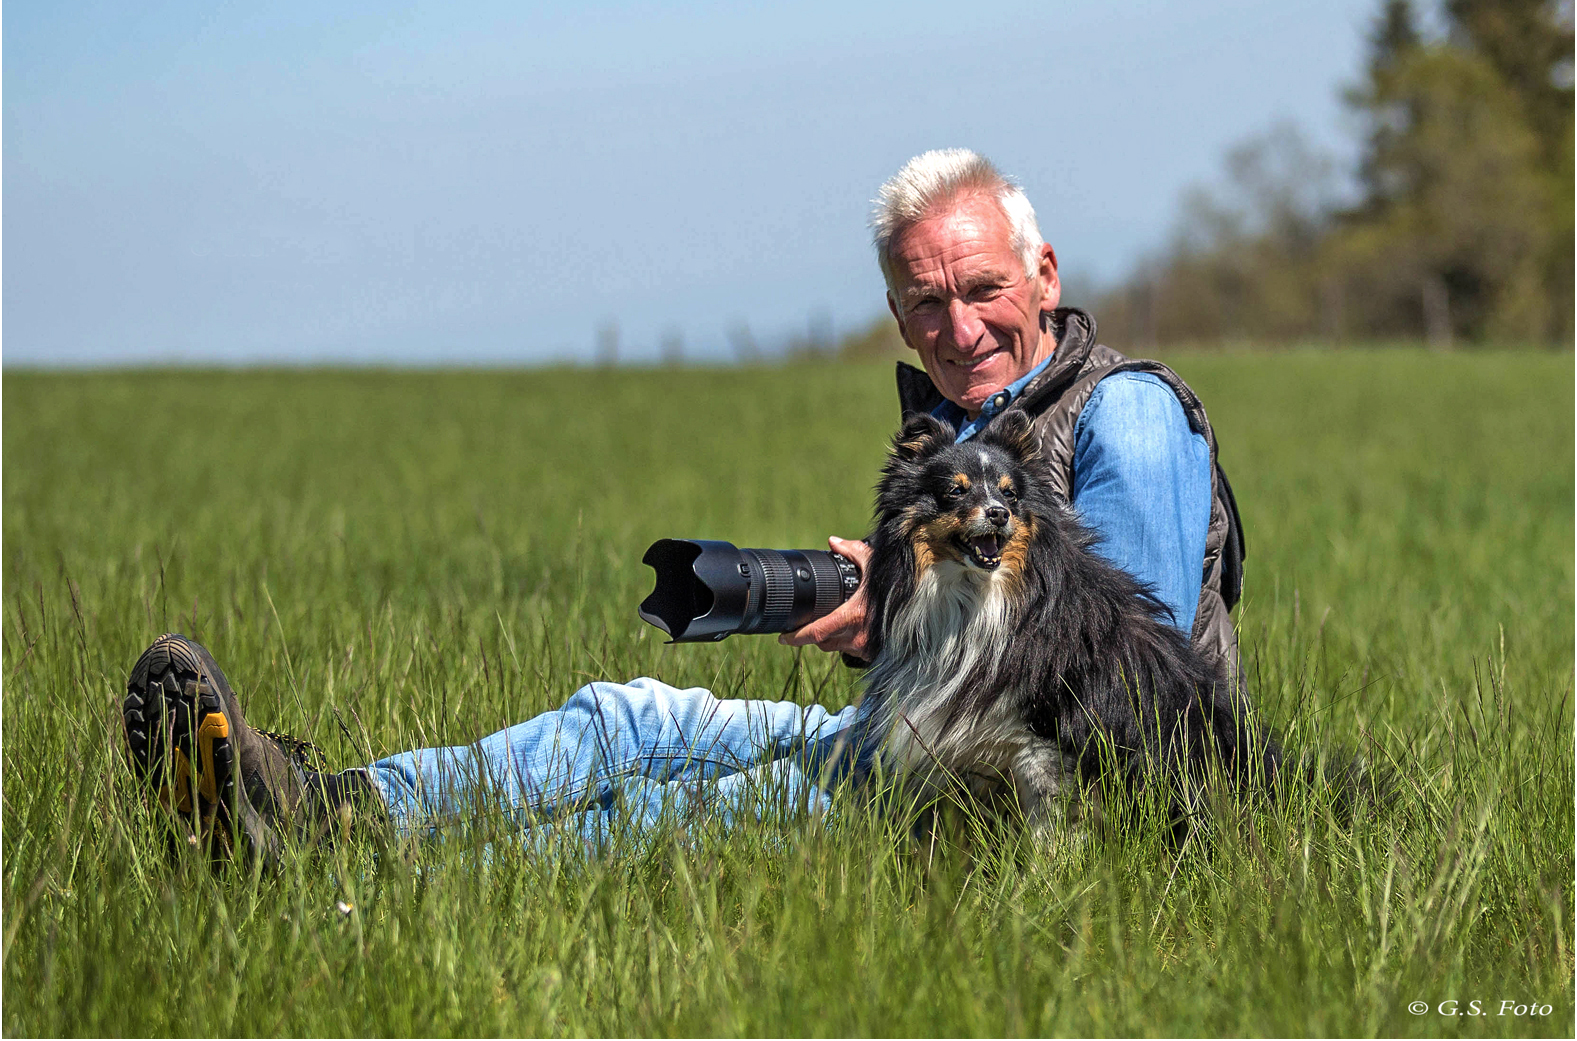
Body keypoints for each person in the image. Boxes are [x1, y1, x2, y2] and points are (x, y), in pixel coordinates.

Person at [122, 149, 1245, 863]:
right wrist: (891, 622)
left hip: (1015, 795)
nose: (957, 331)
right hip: (924, 736)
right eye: (924, 304)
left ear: (1043, 274)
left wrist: (890, 628)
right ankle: (331, 808)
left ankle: (343, 878)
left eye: (982, 290)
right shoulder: (950, 436)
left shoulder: (1129, 415)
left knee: (696, 809)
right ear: (897, 318)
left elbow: (1127, 699)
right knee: (630, 716)